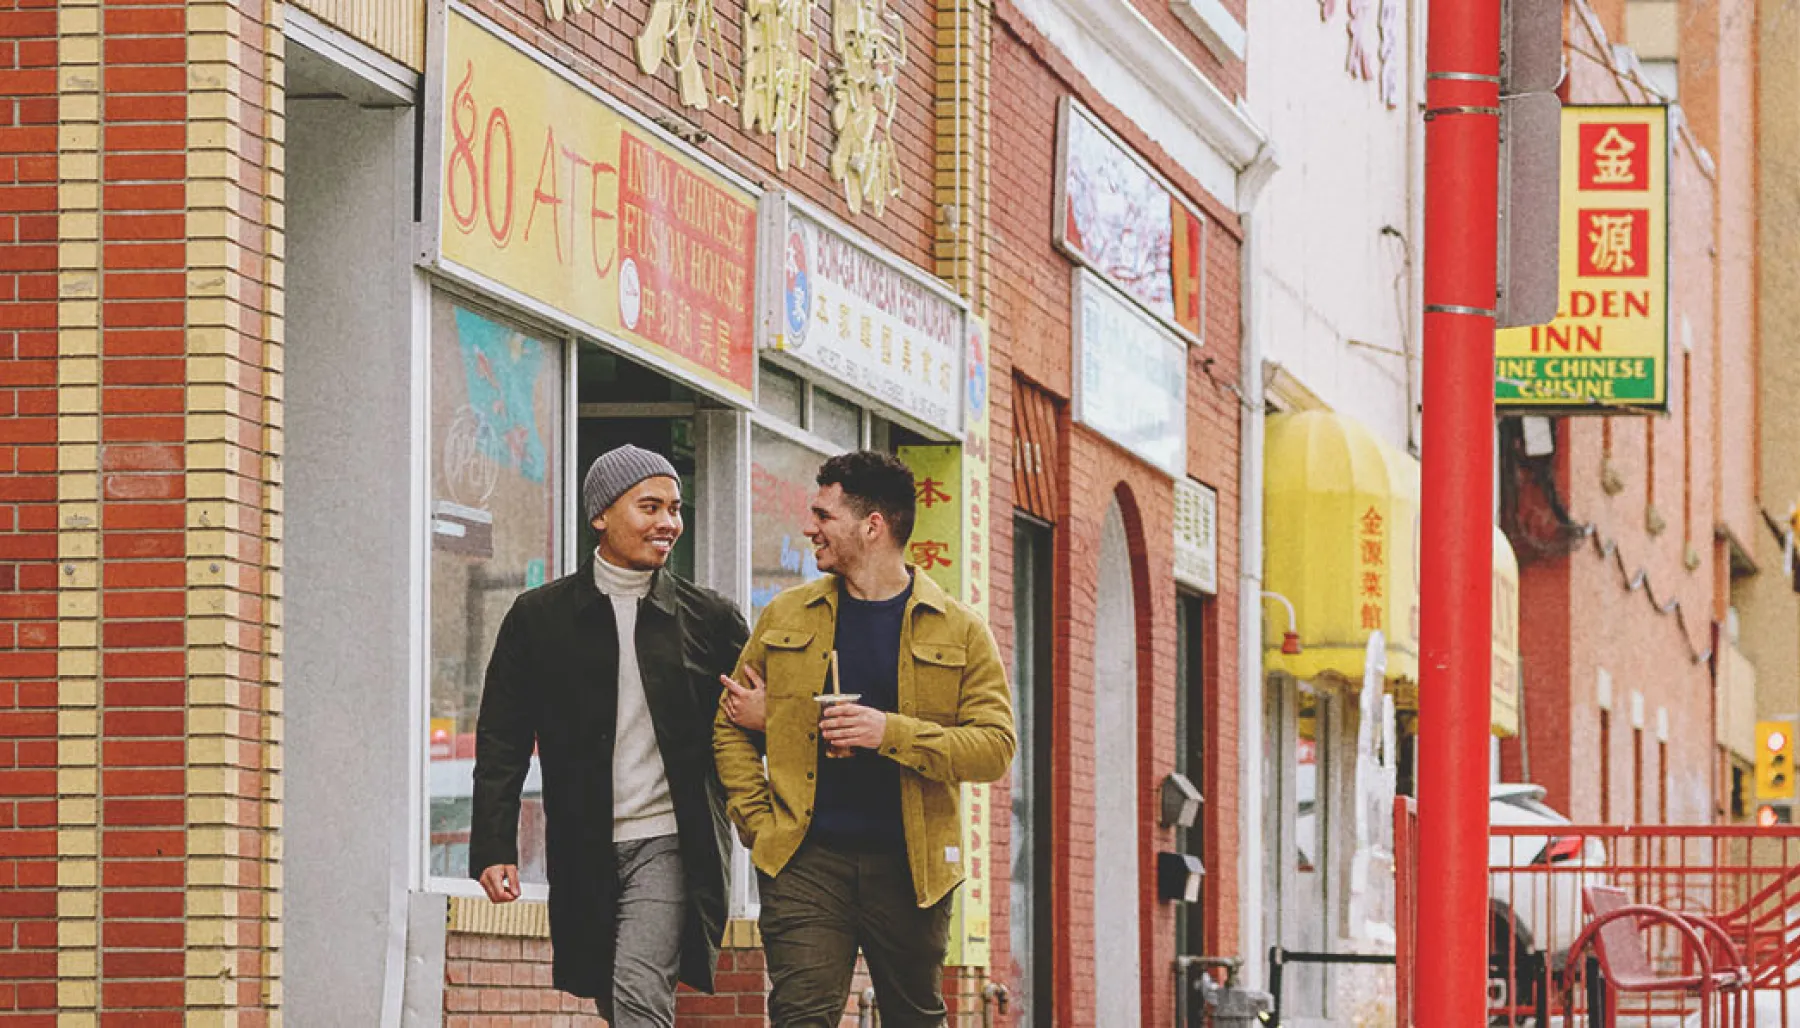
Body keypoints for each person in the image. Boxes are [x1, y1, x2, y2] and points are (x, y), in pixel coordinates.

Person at [715, 450, 1015, 1028]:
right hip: (805, 860)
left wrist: (888, 732)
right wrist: (758, 821)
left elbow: (994, 746)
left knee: (914, 1018)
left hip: (911, 865)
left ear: (872, 526)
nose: (810, 527)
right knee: (800, 1016)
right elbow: (729, 724)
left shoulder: (960, 629)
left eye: (824, 515)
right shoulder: (786, 617)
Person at [470, 444, 748, 1027]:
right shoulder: (539, 618)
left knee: (639, 988)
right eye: (650, 507)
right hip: (584, 845)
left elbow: (755, 725)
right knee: (610, 991)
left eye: (675, 508)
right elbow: (503, 738)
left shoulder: (710, 619)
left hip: (671, 838)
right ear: (601, 514)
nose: (668, 523)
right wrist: (494, 845)